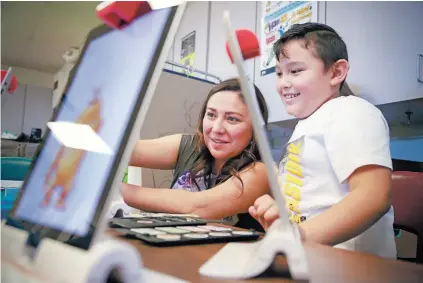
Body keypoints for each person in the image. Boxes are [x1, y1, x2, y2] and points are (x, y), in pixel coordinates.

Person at [249, 22, 396, 258]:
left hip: (351, 267)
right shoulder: (306, 125)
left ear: (336, 72)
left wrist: (299, 236)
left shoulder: (350, 111)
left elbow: (373, 196)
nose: (283, 83)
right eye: (279, 73)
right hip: (308, 258)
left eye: (295, 71)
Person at [121, 78, 270, 231]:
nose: (216, 128)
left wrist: (116, 192)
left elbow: (197, 207)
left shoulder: (260, 173)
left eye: (232, 119)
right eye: (211, 115)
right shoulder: (191, 146)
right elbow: (122, 152)